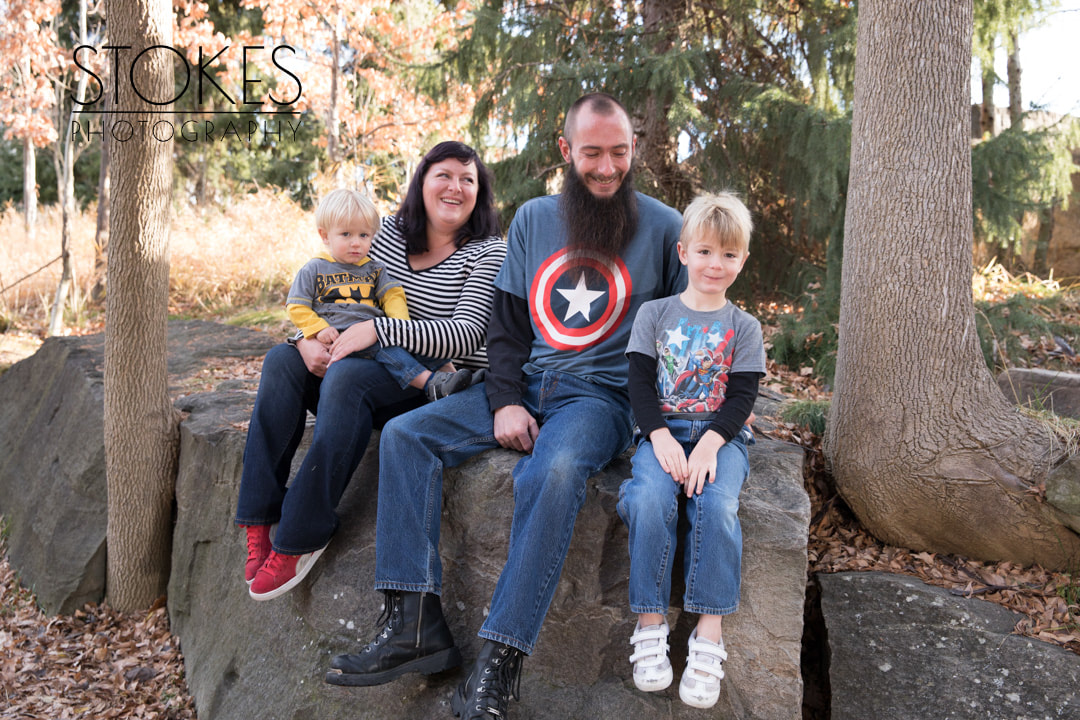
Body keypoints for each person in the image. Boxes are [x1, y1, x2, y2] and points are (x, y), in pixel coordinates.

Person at [324, 93, 687, 720]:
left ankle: (500, 661)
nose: (606, 168)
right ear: (566, 151)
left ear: (635, 150)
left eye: (620, 153)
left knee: (552, 470)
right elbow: (508, 328)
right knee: (406, 437)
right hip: (529, 381)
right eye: (592, 153)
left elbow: (692, 328)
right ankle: (413, 623)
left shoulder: (666, 228)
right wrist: (505, 401)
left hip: (600, 399)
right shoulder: (533, 220)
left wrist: (715, 408)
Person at [235, 141, 505, 602]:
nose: (454, 187)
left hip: (426, 386)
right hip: (354, 366)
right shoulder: (388, 233)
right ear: (421, 180)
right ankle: (259, 518)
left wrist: (378, 331)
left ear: (479, 193)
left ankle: (302, 534)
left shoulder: (487, 252)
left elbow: (465, 335)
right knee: (280, 361)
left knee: (346, 379)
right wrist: (304, 341)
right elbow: (325, 286)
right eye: (444, 174)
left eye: (468, 179)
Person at [618, 192, 765, 709]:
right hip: (660, 431)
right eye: (704, 252)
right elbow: (638, 386)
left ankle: (709, 632)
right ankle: (651, 621)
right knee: (649, 499)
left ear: (742, 260)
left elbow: (743, 395)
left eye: (727, 255)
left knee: (716, 503)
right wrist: (658, 435)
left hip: (720, 437)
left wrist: (709, 444)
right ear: (683, 253)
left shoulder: (743, 327)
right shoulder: (654, 315)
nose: (714, 264)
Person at [286, 187, 473, 401]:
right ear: (325, 235)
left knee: (410, 347)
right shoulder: (315, 269)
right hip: (339, 336)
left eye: (363, 235)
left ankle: (451, 374)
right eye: (346, 234)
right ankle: (430, 384)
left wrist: (400, 325)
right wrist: (318, 329)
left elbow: (392, 295)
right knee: (390, 353)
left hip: (372, 333)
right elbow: (296, 305)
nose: (356, 242)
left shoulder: (375, 269)